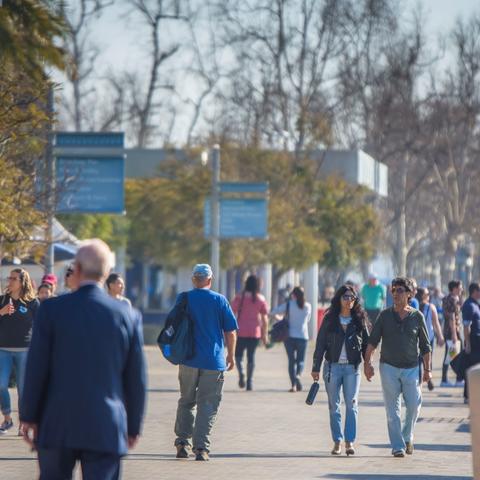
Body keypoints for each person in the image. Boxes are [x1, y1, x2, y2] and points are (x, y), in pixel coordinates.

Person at [20, 239, 146, 479]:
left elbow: (36, 366)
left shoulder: (52, 311)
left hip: (57, 421)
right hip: (106, 425)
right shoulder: (127, 316)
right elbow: (135, 378)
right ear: (107, 272)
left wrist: (29, 416)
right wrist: (133, 427)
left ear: (76, 269)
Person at [174, 264, 237, 462]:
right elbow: (231, 332)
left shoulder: (183, 298)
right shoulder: (219, 300)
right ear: (210, 280)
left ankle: (182, 443)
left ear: (194, 280)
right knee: (207, 404)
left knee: (186, 401)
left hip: (187, 359)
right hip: (213, 360)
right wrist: (231, 356)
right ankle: (201, 448)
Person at [364, 277, 432, 458]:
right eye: (393, 290)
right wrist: (367, 363)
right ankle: (397, 446)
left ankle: (407, 436)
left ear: (409, 294)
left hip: (411, 369)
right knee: (392, 410)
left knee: (414, 405)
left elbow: (426, 346)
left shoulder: (417, 316)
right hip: (388, 368)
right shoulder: (385, 315)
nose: (395, 294)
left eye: (400, 290)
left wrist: (428, 370)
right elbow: (373, 341)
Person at [311, 284, 369, 456]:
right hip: (332, 367)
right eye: (346, 297)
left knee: (352, 404)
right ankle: (337, 441)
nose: (349, 300)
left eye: (352, 297)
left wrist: (368, 364)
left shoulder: (359, 319)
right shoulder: (330, 319)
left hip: (352, 368)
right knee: (333, 406)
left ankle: (349, 442)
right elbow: (320, 343)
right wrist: (315, 366)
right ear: (339, 299)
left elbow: (367, 345)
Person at [0, 269, 39, 435]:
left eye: (14, 278)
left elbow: (42, 327)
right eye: (9, 277)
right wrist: (1, 312)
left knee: (23, 389)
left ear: (22, 281)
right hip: (3, 350)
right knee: (1, 385)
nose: (10, 280)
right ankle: (7, 419)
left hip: (25, 351)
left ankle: (24, 423)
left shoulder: (32, 302)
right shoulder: (2, 299)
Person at [231, 275, 269, 391]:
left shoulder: (239, 297)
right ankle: (249, 381)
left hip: (241, 331)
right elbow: (265, 319)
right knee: (251, 357)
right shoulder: (261, 299)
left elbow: (231, 312)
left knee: (238, 355)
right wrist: (265, 335)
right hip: (255, 332)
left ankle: (242, 373)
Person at [271, 286, 312, 392]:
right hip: (303, 337)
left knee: (291, 361)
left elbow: (273, 312)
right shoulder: (308, 306)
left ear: (293, 295)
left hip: (289, 337)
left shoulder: (289, 304)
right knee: (301, 361)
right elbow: (307, 320)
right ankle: (298, 375)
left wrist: (279, 318)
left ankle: (293, 385)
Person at [415, 287, 445, 390]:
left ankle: (418, 381)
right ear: (423, 295)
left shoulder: (414, 306)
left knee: (418, 360)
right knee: (428, 359)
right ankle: (428, 377)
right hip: (429, 337)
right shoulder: (431, 307)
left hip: (416, 338)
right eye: (428, 294)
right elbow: (436, 323)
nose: (429, 296)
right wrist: (440, 337)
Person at [441, 280, 463, 387]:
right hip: (453, 331)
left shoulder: (446, 298)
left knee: (449, 355)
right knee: (454, 355)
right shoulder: (453, 299)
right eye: (460, 288)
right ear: (454, 288)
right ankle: (458, 378)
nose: (461, 289)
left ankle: (445, 379)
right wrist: (454, 334)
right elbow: (452, 317)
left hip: (448, 331)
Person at [461, 282, 480, 403]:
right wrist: (467, 343)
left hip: (477, 341)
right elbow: (466, 326)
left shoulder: (475, 304)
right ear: (474, 291)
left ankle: (472, 394)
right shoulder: (468, 305)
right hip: (473, 342)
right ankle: (468, 396)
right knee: (472, 369)